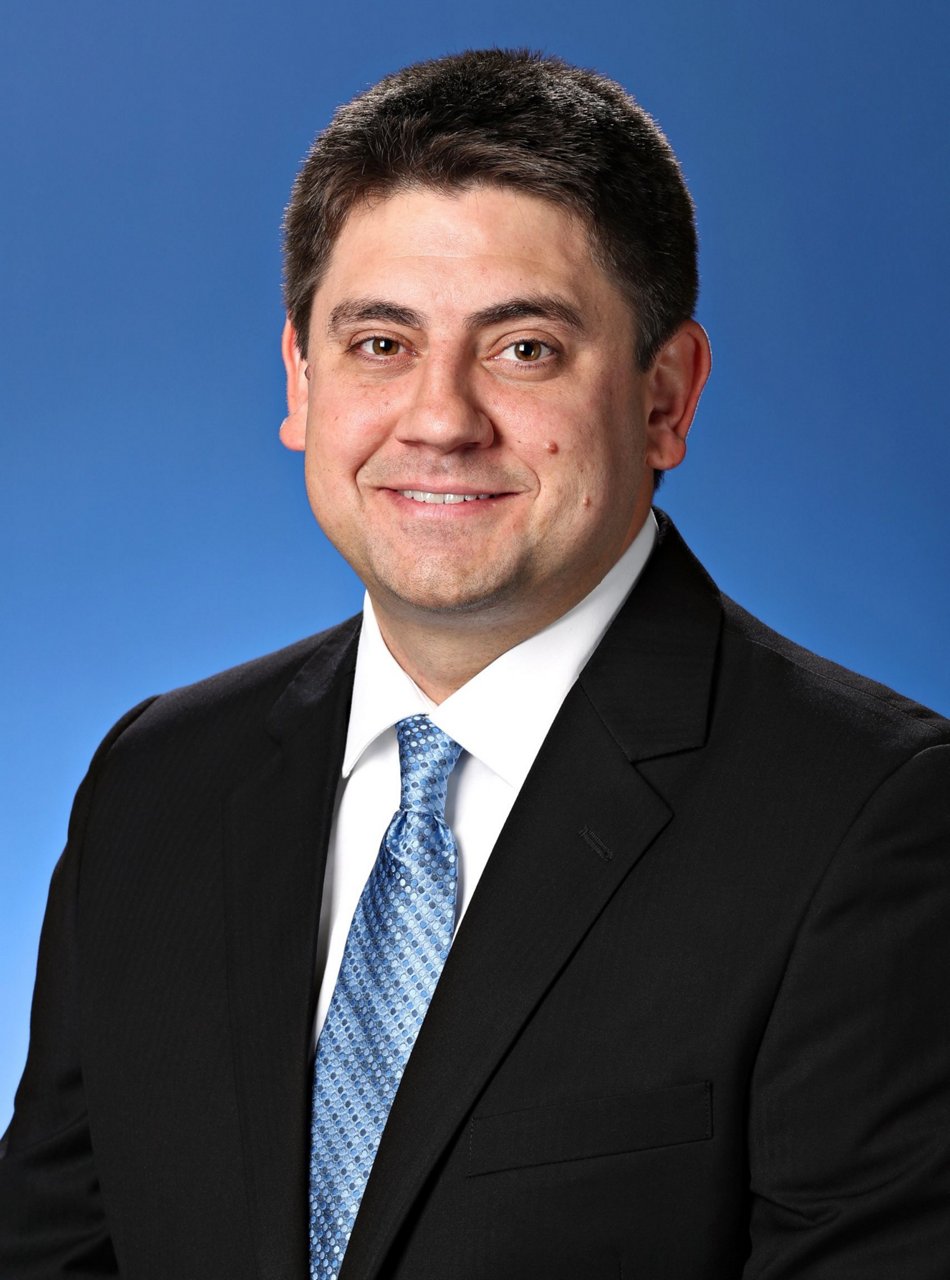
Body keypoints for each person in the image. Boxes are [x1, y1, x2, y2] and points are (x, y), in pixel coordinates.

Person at [1, 48, 948, 1280]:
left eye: (525, 350)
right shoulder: (154, 782)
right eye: (381, 343)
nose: (440, 417)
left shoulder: (873, 820)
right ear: (300, 380)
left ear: (665, 395)